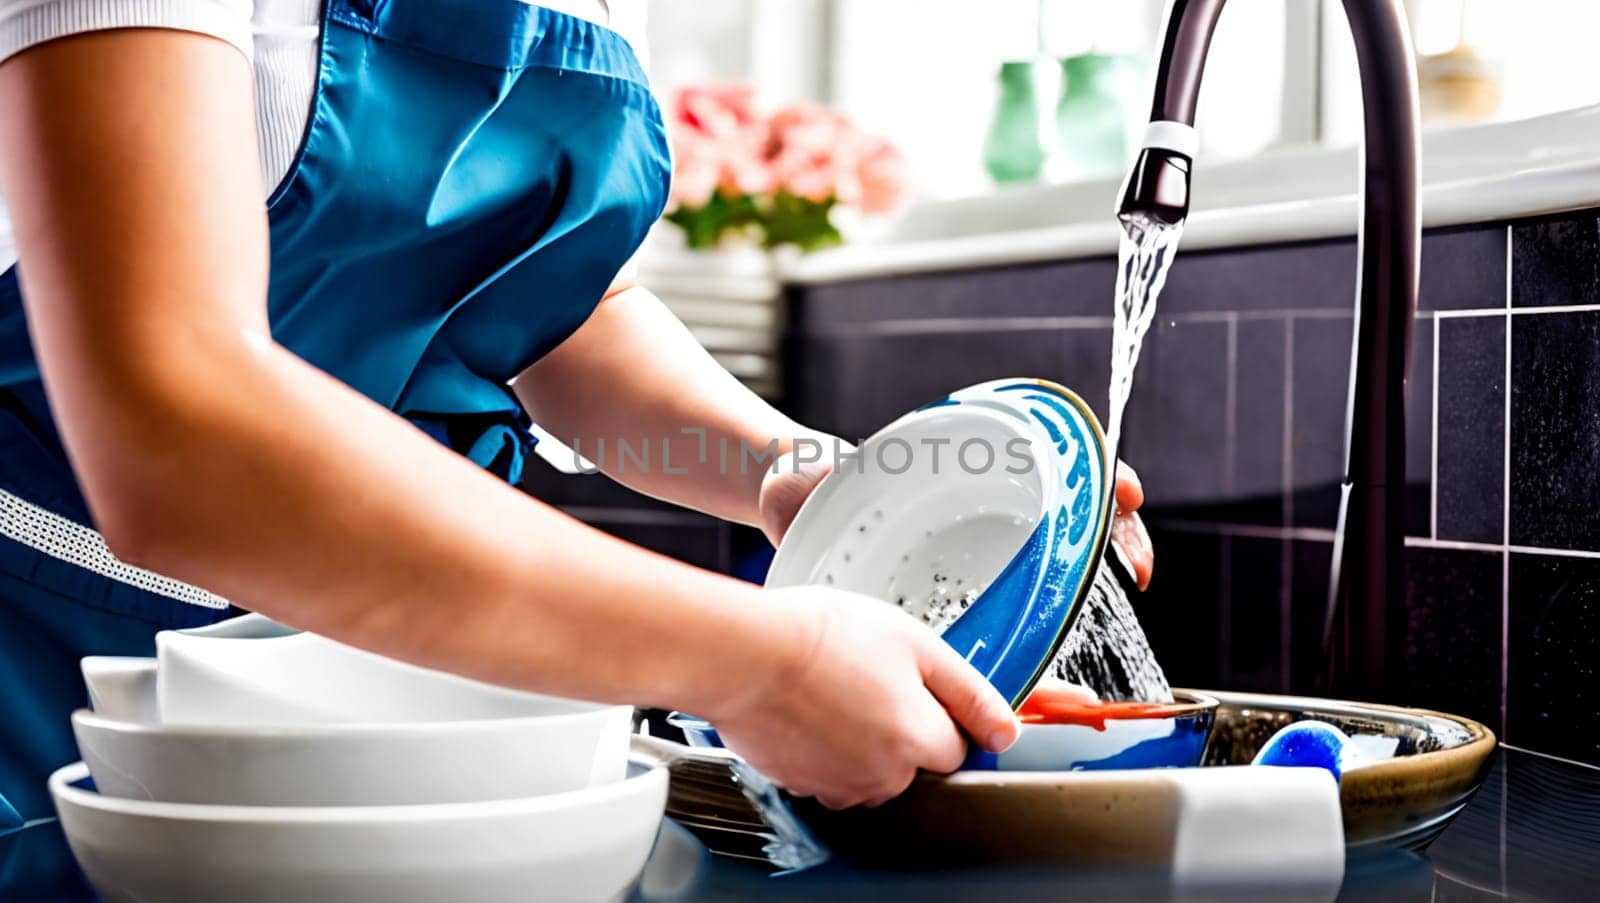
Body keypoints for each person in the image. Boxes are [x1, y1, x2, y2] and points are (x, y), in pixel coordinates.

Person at [0, 0, 1154, 893]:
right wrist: (759, 659)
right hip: (47, 657)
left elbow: (557, 308)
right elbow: (177, 429)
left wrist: (803, 476)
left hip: (398, 671)